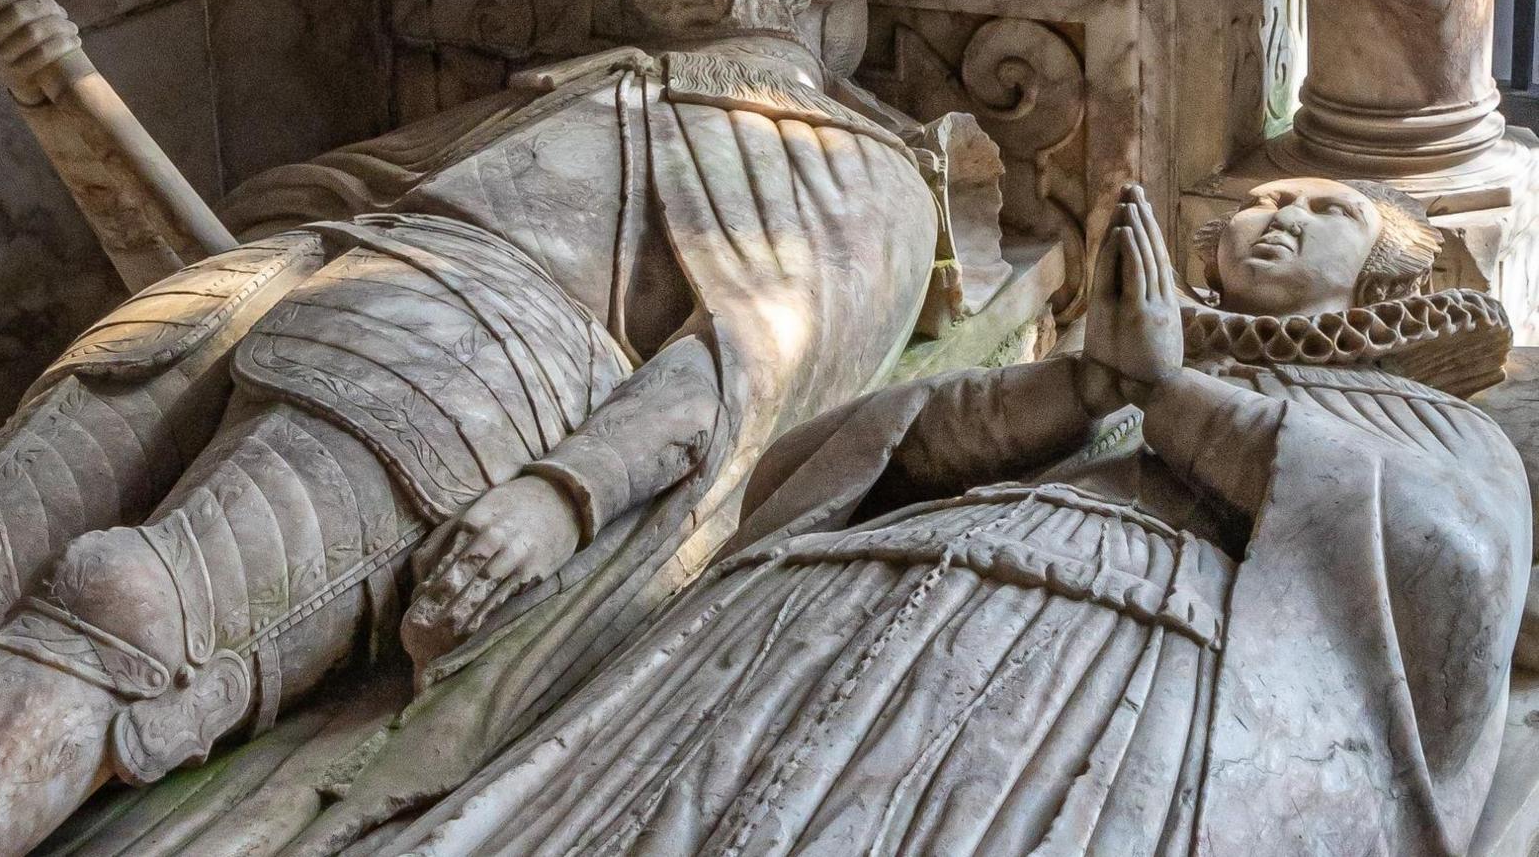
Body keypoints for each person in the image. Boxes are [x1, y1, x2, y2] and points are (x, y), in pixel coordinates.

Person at [0, 0, 942, 855]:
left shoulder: (866, 170)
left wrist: (564, 494)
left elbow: (746, 365)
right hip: (271, 289)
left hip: (464, 363)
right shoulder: (588, 83)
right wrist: (62, 98)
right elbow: (249, 227)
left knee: (133, 607)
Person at [357, 180, 1530, 857]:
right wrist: (1084, 385)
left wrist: (1173, 394)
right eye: (1263, 196)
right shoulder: (1105, 351)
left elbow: (1448, 574)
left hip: (1126, 662)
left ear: (1393, 277)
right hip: (862, 600)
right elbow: (863, 453)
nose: (1277, 211)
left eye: (1325, 207)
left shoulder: (1428, 419)